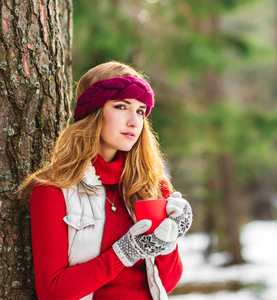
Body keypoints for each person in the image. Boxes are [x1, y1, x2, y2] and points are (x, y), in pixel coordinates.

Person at [18, 61, 193, 300]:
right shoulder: (54, 189)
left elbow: (167, 282)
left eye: (141, 111)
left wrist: (168, 242)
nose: (134, 121)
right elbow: (53, 291)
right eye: (122, 106)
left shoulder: (152, 185)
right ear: (94, 112)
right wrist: (125, 253)